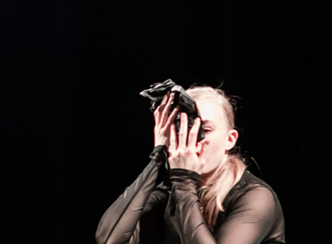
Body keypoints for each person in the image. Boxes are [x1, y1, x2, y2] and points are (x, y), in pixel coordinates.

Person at [95, 86, 286, 244]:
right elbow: (109, 239)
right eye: (184, 129)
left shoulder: (256, 197)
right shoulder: (173, 190)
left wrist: (184, 180)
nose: (194, 139)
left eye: (205, 130)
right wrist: (158, 157)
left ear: (230, 139)